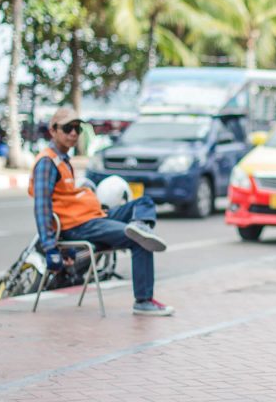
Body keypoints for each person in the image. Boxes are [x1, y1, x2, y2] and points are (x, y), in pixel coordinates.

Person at [29, 107, 174, 316]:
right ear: (53, 130)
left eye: (77, 129)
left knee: (143, 203)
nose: (73, 134)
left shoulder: (63, 159)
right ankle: (143, 301)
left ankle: (140, 225)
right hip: (80, 226)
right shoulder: (46, 163)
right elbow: (43, 207)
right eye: (68, 128)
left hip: (92, 218)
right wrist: (51, 248)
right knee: (139, 241)